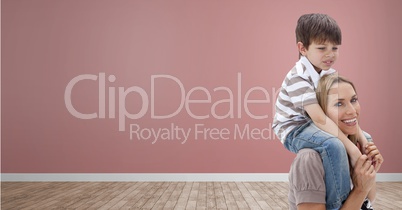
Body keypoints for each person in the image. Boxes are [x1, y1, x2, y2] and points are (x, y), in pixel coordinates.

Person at [272, 13, 370, 209]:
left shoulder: (329, 74)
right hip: (294, 129)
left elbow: (338, 109)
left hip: (315, 122)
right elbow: (318, 117)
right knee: (334, 145)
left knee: (364, 136)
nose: (330, 54)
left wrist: (362, 140)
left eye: (335, 48)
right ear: (303, 48)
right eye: (322, 48)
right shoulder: (297, 77)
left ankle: (365, 197)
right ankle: (339, 205)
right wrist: (352, 150)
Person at [288, 74, 384, 210]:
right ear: (320, 113)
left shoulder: (360, 145)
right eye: (339, 104)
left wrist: (370, 173)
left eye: (354, 100)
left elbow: (368, 202)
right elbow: (362, 194)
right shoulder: (309, 159)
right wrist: (360, 189)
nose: (352, 111)